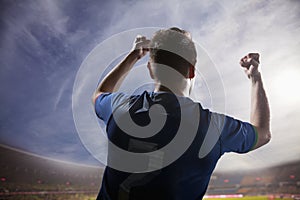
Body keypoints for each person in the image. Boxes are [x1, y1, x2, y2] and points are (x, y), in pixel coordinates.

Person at [92, 27, 271, 200]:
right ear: (192, 71)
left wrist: (133, 56)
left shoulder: (120, 108)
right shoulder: (212, 127)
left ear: (150, 70)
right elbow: (262, 134)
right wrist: (255, 77)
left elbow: (99, 95)